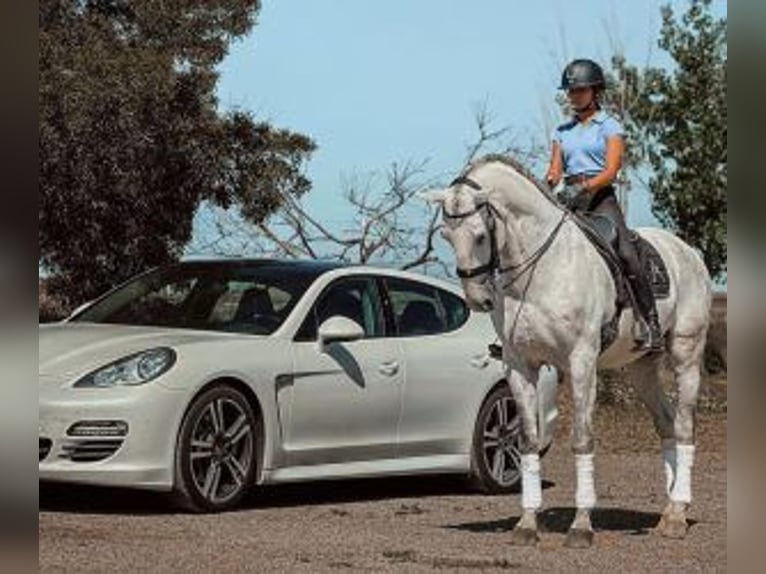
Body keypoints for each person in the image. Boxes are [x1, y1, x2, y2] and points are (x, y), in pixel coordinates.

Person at [545, 58, 663, 351]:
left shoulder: (610, 126)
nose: (573, 96)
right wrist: (547, 185)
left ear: (594, 91)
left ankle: (650, 323)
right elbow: (555, 170)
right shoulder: (562, 131)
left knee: (626, 253)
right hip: (568, 196)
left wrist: (584, 188)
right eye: (570, 91)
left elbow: (611, 170)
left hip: (600, 198)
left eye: (579, 90)